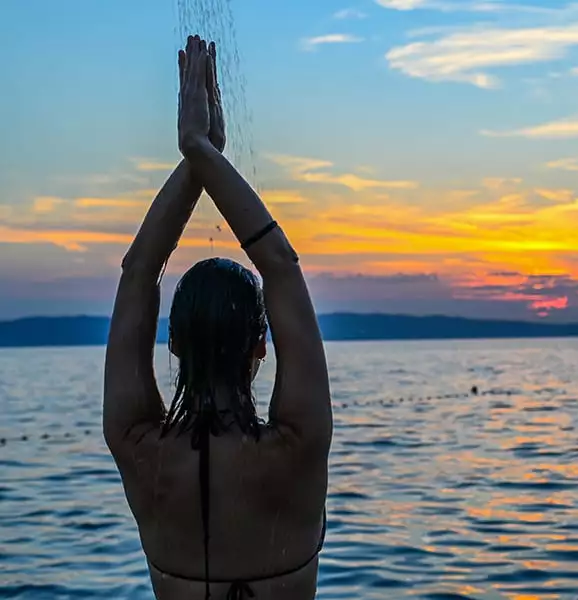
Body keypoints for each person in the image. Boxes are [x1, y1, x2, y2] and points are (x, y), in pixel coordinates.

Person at [103, 35, 332, 600]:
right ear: (262, 346)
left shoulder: (138, 449)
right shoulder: (298, 448)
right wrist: (204, 153)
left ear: (173, 343)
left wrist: (197, 153)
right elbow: (279, 265)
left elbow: (137, 274)